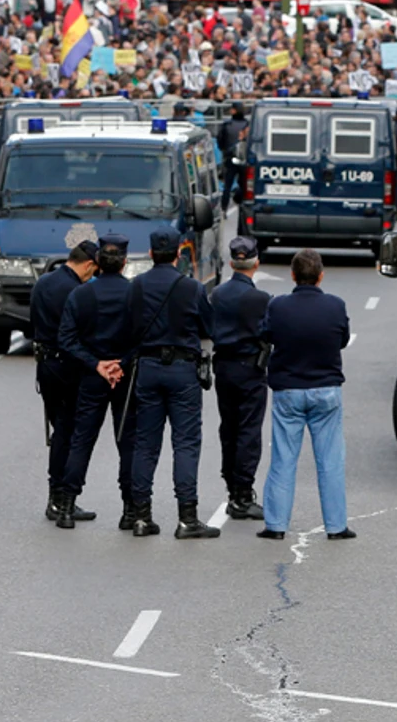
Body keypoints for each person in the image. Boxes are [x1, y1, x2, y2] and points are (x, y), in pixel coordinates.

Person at [124, 230, 219, 539]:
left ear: (151, 253)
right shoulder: (191, 287)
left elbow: (131, 325)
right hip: (182, 368)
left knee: (145, 444)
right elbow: (209, 326)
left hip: (148, 367)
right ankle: (187, 518)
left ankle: (141, 516)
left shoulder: (137, 285)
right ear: (179, 252)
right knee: (186, 443)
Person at [256, 248, 353, 541]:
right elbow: (343, 340)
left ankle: (276, 525)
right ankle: (336, 526)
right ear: (320, 276)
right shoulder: (335, 306)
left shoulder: (279, 306)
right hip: (326, 390)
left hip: (288, 390)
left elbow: (265, 334)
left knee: (284, 459)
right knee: (330, 461)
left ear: (293, 275)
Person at [58, 234, 141, 530]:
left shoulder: (80, 294)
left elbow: (66, 338)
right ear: (124, 263)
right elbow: (144, 337)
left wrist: (96, 364)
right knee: (128, 442)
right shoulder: (135, 294)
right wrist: (122, 363)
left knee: (81, 441)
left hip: (92, 376)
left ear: (97, 265)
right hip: (125, 377)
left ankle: (66, 506)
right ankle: (130, 511)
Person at [34, 239, 100, 527]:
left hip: (45, 365)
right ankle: (61, 498)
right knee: (69, 432)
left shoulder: (44, 282)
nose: (93, 276)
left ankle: (55, 497)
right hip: (67, 366)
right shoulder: (77, 291)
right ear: (88, 264)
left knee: (59, 429)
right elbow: (80, 334)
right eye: (93, 271)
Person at [210, 236, 271, 523]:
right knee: (248, 431)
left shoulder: (218, 294)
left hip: (224, 367)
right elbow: (269, 332)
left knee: (229, 428)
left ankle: (231, 485)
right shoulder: (261, 299)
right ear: (256, 263)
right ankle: (243, 494)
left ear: (233, 262)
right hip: (250, 368)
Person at [218, 103, 249, 212]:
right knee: (244, 184)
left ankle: (223, 208)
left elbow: (220, 140)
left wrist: (225, 150)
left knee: (227, 185)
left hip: (229, 158)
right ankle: (243, 205)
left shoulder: (227, 125)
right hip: (244, 158)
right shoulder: (247, 124)